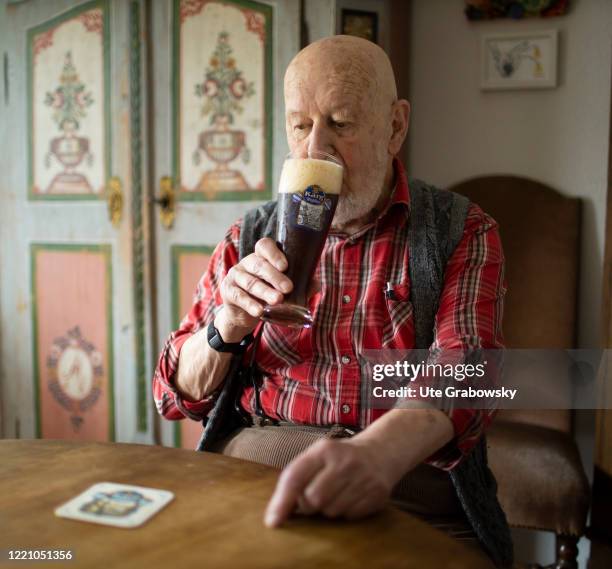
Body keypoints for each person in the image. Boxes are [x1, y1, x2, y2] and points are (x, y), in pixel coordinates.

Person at [153, 35, 510, 566]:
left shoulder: (461, 231)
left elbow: (467, 370)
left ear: (395, 126)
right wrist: (224, 326)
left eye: (340, 123)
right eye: (300, 125)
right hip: (256, 474)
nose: (315, 148)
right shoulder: (247, 235)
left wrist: (375, 453)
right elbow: (173, 395)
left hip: (407, 486)